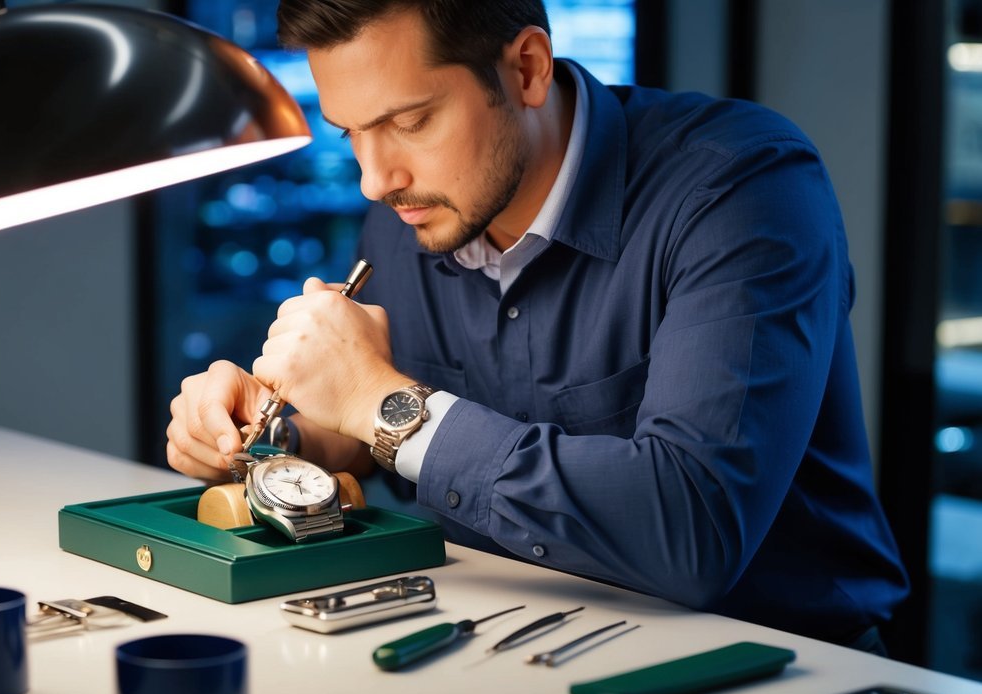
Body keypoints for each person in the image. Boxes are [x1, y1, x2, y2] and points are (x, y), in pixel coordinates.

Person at [165, 0, 908, 650]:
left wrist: (378, 401)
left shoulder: (741, 189)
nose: (373, 178)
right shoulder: (415, 208)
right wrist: (277, 439)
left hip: (784, 678)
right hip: (501, 651)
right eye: (348, 134)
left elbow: (693, 531)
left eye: (410, 121)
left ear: (524, 68)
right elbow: (371, 438)